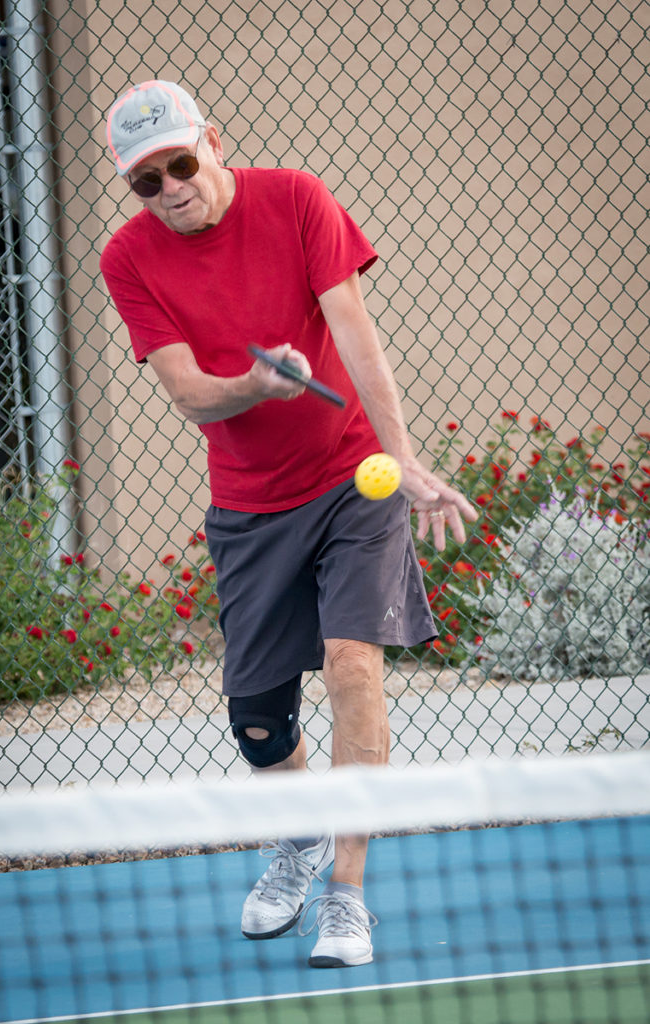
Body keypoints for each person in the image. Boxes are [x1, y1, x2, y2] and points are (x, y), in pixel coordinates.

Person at [101, 80, 477, 968]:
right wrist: (255, 386)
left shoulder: (298, 198)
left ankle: (346, 895)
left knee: (352, 664)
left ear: (213, 144)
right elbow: (191, 393)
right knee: (258, 720)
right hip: (249, 503)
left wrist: (405, 459)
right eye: (146, 181)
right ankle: (302, 833)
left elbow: (356, 336)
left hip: (354, 476)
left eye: (181, 164)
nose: (171, 189)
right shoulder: (129, 257)